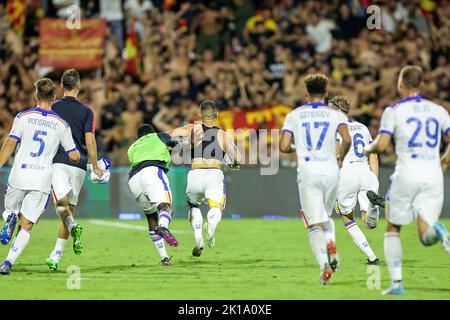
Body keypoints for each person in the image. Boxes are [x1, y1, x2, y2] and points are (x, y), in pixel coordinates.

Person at [364, 65, 450, 295]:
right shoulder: (438, 110)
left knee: (393, 227)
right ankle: (440, 230)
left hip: (407, 173)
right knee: (425, 235)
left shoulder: (394, 110)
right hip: (433, 175)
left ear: (401, 84)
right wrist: (444, 161)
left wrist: (366, 149)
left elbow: (381, 145)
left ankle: (397, 284)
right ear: (421, 85)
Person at [0, 78, 80, 275]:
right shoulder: (61, 124)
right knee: (26, 225)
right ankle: (7, 263)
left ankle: (9, 216)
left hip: (19, 173)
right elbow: (73, 155)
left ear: (36, 95)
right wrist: (76, 154)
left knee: (10, 210)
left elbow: (10, 143)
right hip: (42, 179)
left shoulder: (23, 117)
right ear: (54, 97)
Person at [279, 74, 351, 285]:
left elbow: (283, 147)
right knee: (325, 215)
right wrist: (340, 159)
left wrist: (297, 147)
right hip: (331, 171)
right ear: (326, 93)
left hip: (309, 171)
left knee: (313, 224)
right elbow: (346, 139)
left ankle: (324, 266)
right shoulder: (335, 115)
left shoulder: (294, 115)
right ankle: (331, 243)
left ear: (306, 94)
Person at [46, 69, 103, 271]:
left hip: (58, 161)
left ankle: (69, 232)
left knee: (60, 205)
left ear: (61, 86)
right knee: (69, 208)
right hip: (79, 166)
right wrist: (95, 165)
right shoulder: (88, 111)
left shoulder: (52, 107)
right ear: (79, 87)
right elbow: (90, 140)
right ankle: (56, 255)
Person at [181, 100, 241, 257]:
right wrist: (232, 163)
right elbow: (236, 158)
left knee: (193, 206)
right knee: (216, 206)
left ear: (200, 114)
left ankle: (198, 238)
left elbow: (182, 152)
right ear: (217, 115)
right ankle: (211, 227)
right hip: (214, 173)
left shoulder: (192, 131)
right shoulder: (223, 135)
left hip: (195, 173)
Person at [127, 124, 188, 266]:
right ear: (151, 132)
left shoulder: (132, 147)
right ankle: (163, 226)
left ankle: (164, 258)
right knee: (165, 207)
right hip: (152, 171)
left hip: (133, 179)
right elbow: (180, 145)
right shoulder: (160, 136)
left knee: (151, 216)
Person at [330, 95, 380, 265]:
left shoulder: (335, 128)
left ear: (337, 110)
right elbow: (373, 155)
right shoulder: (363, 127)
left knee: (346, 216)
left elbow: (336, 156)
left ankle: (372, 257)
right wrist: (374, 180)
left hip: (347, 174)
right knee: (369, 223)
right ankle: (373, 206)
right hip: (366, 173)